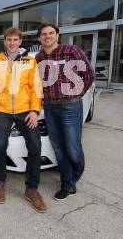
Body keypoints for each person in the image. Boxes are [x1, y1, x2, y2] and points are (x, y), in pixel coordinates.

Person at [0, 27, 47, 213]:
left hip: (24, 110)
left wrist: (35, 111)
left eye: (15, 40)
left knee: (35, 147)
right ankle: (0, 183)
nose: (12, 43)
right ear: (4, 42)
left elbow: (36, 87)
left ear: (20, 42)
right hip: (1, 110)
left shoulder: (30, 62)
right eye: (8, 40)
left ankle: (32, 189)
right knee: (0, 145)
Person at [35, 23, 95, 201]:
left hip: (71, 106)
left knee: (72, 148)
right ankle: (68, 184)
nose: (47, 36)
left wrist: (77, 93)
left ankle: (74, 175)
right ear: (39, 38)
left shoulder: (71, 51)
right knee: (59, 149)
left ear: (57, 35)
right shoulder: (38, 58)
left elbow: (89, 75)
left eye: (51, 33)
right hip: (50, 108)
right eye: (44, 34)